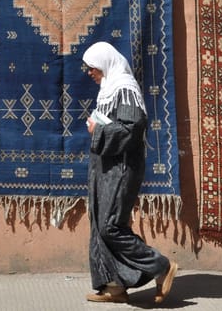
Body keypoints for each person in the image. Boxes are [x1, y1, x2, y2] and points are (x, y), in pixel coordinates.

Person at [81, 41, 178, 304]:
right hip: (107, 166)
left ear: (104, 62)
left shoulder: (124, 88)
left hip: (122, 168)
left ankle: (161, 266)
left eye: (91, 67)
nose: (88, 72)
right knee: (100, 226)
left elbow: (133, 128)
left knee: (110, 226)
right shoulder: (109, 89)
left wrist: (97, 130)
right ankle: (114, 286)